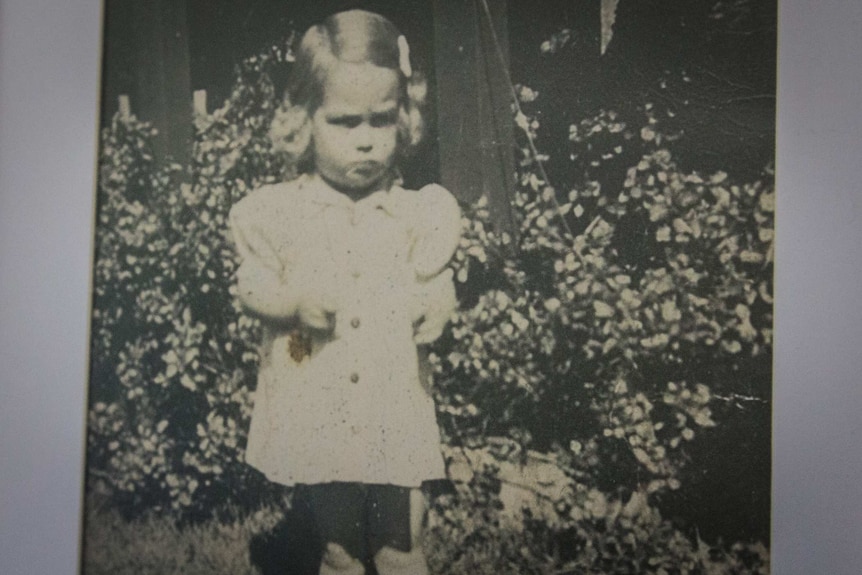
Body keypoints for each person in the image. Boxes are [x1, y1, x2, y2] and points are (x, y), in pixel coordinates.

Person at [229, 10, 461, 575]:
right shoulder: (278, 213)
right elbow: (249, 285)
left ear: (403, 118)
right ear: (305, 122)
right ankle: (339, 558)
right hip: (319, 403)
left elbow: (436, 278)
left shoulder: (416, 212)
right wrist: (290, 305)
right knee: (338, 547)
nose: (365, 143)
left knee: (400, 540)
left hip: (392, 403)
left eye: (380, 121)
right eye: (344, 122)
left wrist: (439, 300)